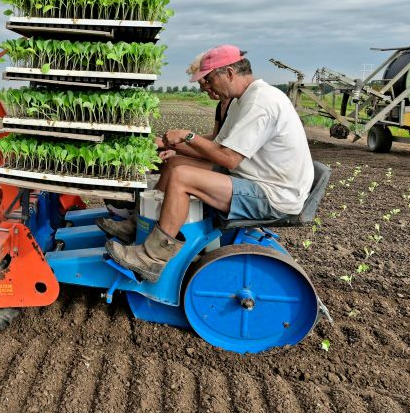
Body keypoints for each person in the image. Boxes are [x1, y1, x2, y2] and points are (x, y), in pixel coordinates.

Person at [107, 45, 314, 282]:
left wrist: (188, 137)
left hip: (272, 193)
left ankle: (151, 258)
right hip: (254, 179)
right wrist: (171, 146)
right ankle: (139, 226)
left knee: (182, 177)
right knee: (176, 165)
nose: (208, 87)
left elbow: (228, 157)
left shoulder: (260, 103)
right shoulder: (240, 101)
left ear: (228, 73)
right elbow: (216, 147)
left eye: (209, 80)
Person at [98, 51, 235, 243]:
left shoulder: (233, 102)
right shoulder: (223, 104)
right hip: (219, 158)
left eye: (207, 83)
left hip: (227, 166)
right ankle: (140, 220)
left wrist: (178, 143)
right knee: (171, 161)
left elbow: (218, 149)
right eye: (203, 86)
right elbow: (215, 137)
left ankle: (151, 233)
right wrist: (177, 144)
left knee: (177, 167)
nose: (207, 90)